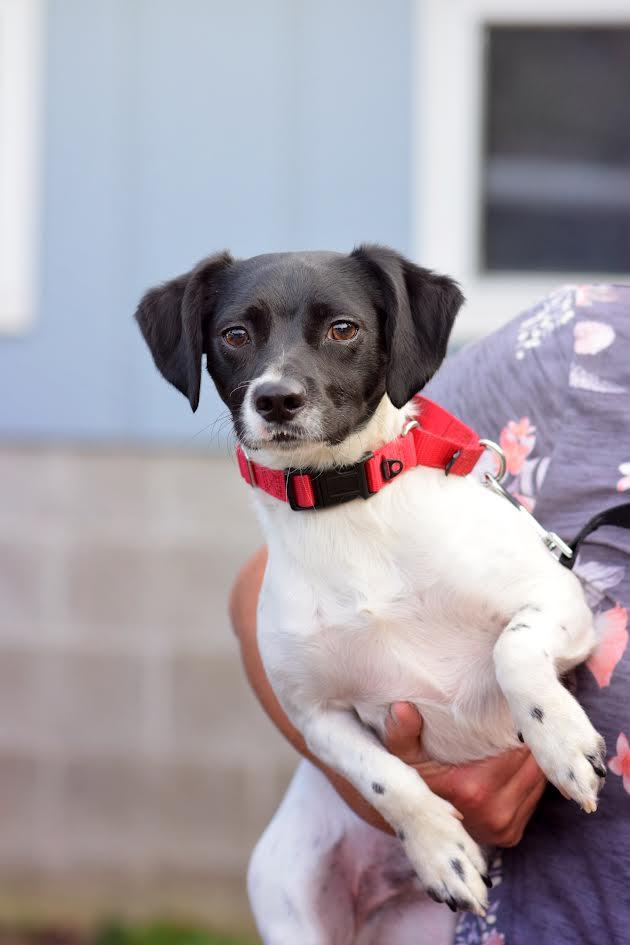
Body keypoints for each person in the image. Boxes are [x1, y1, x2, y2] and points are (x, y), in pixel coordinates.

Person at [230, 284, 630, 944]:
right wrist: (404, 804)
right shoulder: (577, 349)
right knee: (281, 874)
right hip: (445, 895)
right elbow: (259, 599)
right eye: (240, 338)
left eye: (338, 331)